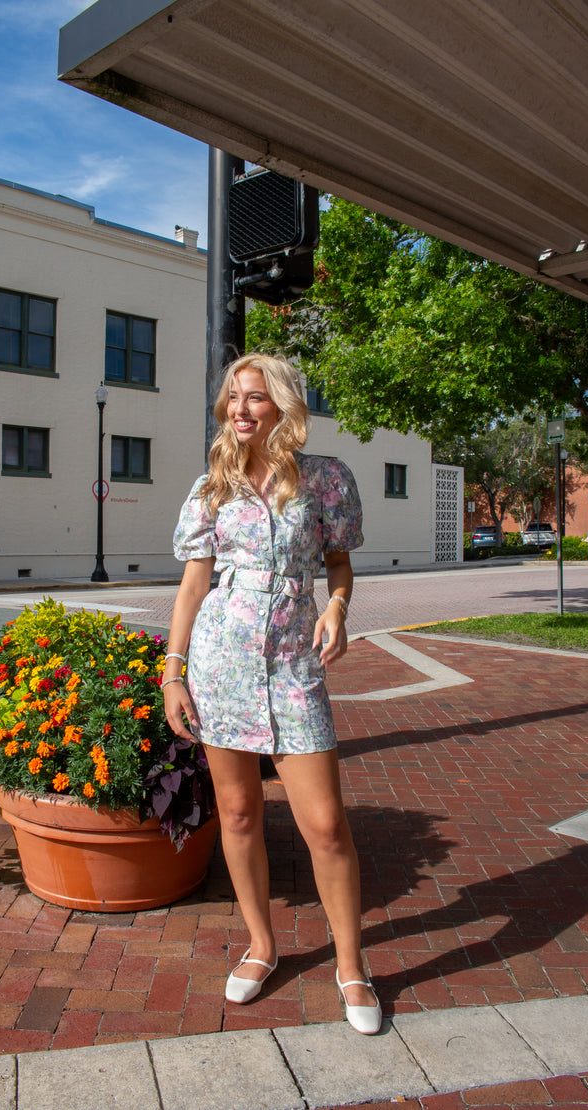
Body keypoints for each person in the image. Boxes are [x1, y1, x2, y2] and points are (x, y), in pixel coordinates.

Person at [163, 352, 381, 1035]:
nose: (239, 408)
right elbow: (195, 585)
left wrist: (338, 607)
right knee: (237, 814)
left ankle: (351, 965)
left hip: (292, 663)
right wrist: (173, 670)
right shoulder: (211, 488)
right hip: (220, 659)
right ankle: (262, 945)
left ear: (282, 406)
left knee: (325, 825)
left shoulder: (326, 480)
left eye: (254, 397)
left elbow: (339, 562)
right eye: (233, 397)